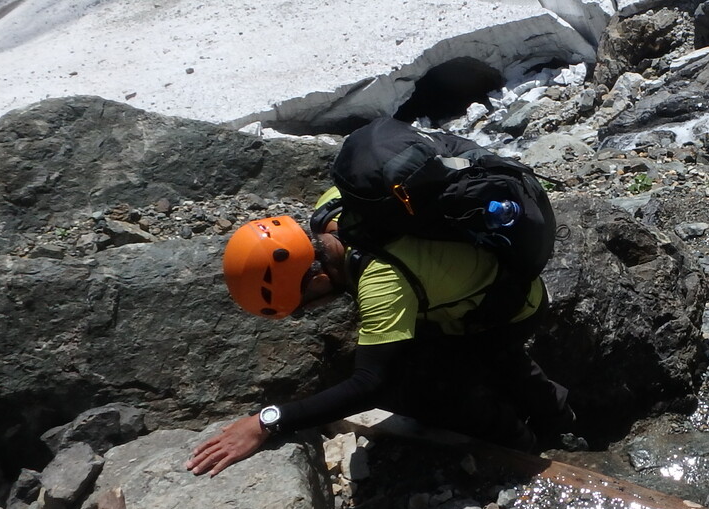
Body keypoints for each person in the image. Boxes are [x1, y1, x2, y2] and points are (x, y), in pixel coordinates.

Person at [186, 203, 572, 477]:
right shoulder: (335, 208)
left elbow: (370, 386)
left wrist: (268, 421)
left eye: (304, 305)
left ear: (319, 277)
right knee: (500, 362)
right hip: (493, 289)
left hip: (503, 312)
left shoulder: (381, 281)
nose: (308, 313)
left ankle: (521, 446)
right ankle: (558, 413)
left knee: (439, 387)